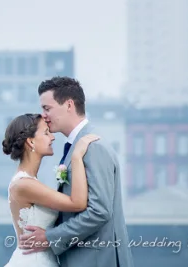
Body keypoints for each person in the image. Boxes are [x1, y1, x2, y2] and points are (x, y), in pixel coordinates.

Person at [20, 76, 133, 267]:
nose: (43, 116)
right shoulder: (77, 147)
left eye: (47, 108)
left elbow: (99, 211)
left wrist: (50, 237)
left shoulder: (92, 147)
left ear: (69, 105)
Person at [1, 113, 100, 266]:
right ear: (31, 142)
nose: (52, 137)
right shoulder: (24, 184)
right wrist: (76, 157)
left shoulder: (29, 182)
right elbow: (78, 203)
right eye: (46, 133)